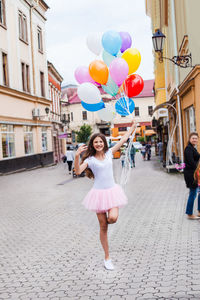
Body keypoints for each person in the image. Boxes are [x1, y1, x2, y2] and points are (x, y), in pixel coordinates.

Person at [74, 122, 136, 271]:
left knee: (112, 218)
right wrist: (77, 156)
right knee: (103, 226)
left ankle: (108, 223)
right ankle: (107, 257)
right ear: (92, 145)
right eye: (95, 142)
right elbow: (77, 171)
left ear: (104, 143)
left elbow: (122, 140)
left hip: (112, 192)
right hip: (98, 195)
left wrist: (133, 126)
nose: (98, 144)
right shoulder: (89, 160)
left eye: (100, 141)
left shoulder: (109, 153)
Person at [184, 132, 200, 219]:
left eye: (196, 138)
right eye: (193, 138)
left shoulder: (193, 148)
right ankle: (189, 214)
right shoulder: (188, 149)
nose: (194, 139)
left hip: (195, 174)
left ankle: (199, 211)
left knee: (197, 192)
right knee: (193, 193)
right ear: (190, 139)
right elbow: (191, 162)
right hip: (191, 175)